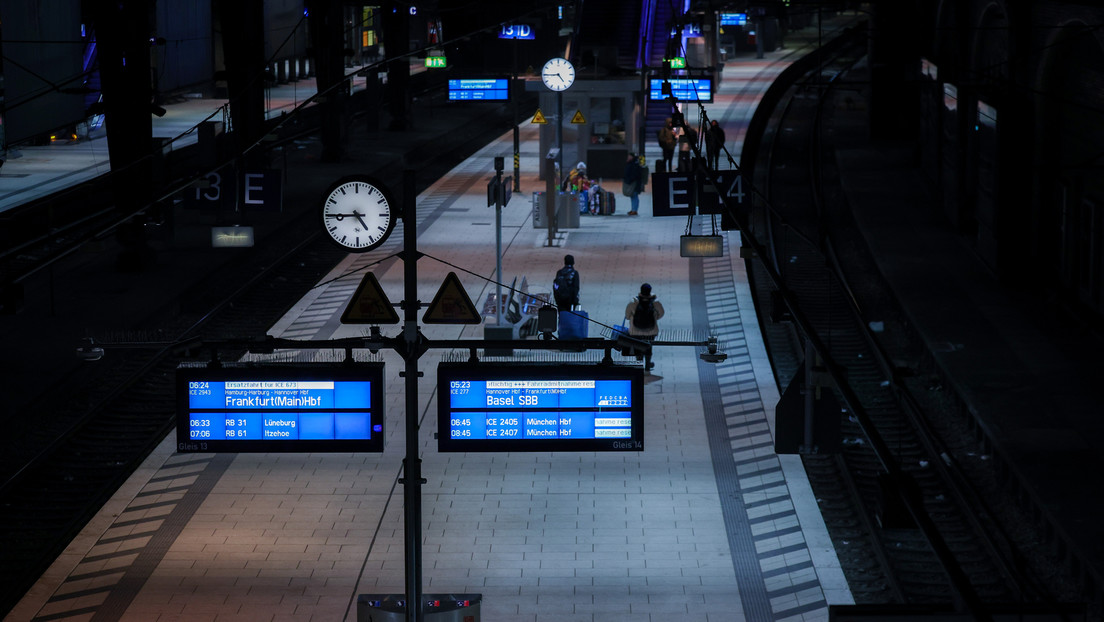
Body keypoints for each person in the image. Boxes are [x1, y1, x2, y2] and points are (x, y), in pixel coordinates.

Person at [625, 283, 664, 371]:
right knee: (648, 346)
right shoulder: (655, 302)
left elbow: (627, 316)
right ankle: (647, 365)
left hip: (635, 332)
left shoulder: (633, 302)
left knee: (638, 347)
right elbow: (661, 313)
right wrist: (655, 318)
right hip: (651, 331)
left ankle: (639, 364)